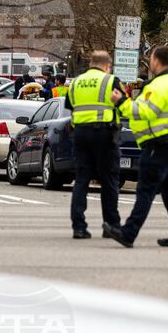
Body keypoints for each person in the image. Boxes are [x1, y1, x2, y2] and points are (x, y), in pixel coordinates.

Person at [104, 45, 168, 248]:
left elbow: (144, 111)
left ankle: (128, 232)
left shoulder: (159, 85)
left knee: (146, 189)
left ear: (156, 61)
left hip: (159, 145)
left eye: (151, 58)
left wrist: (121, 101)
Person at [65, 51, 125, 239]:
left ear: (91, 63)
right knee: (109, 180)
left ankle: (79, 227)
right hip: (104, 134)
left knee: (82, 179)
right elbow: (122, 105)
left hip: (81, 134)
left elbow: (71, 107)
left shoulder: (75, 83)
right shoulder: (111, 81)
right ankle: (111, 225)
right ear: (108, 66)